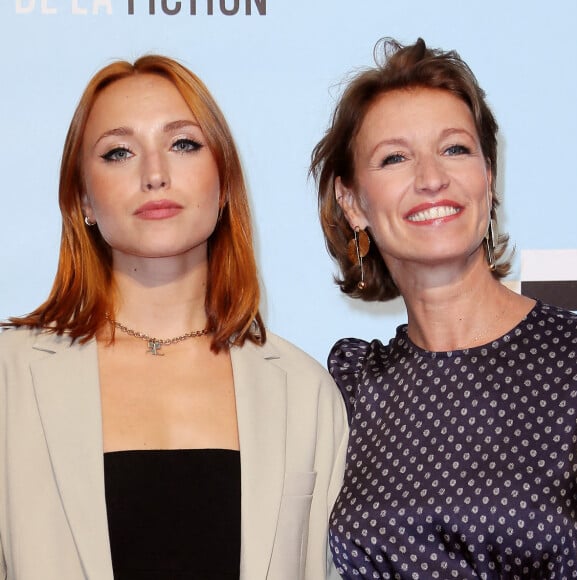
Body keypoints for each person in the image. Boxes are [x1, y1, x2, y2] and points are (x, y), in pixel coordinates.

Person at [0, 55, 347, 580]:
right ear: (83, 200)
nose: (155, 174)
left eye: (183, 144)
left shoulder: (304, 391)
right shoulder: (11, 377)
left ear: (224, 182)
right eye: (118, 152)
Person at [310, 37, 577, 579]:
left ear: (489, 176)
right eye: (394, 158)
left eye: (455, 149)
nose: (432, 178)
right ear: (353, 203)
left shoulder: (573, 363)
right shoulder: (348, 386)